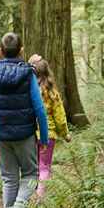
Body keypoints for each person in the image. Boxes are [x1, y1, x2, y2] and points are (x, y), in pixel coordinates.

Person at [0, 33, 49, 208]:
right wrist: (44, 137)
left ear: (0, 52)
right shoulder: (28, 74)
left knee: (9, 180)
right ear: (21, 51)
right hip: (25, 135)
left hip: (1, 136)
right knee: (31, 173)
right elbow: (39, 108)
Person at [27, 55, 71, 197]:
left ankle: (28, 196)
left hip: (31, 134)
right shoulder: (52, 94)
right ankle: (40, 198)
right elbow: (60, 118)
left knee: (32, 168)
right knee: (44, 168)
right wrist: (65, 134)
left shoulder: (28, 92)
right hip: (49, 135)